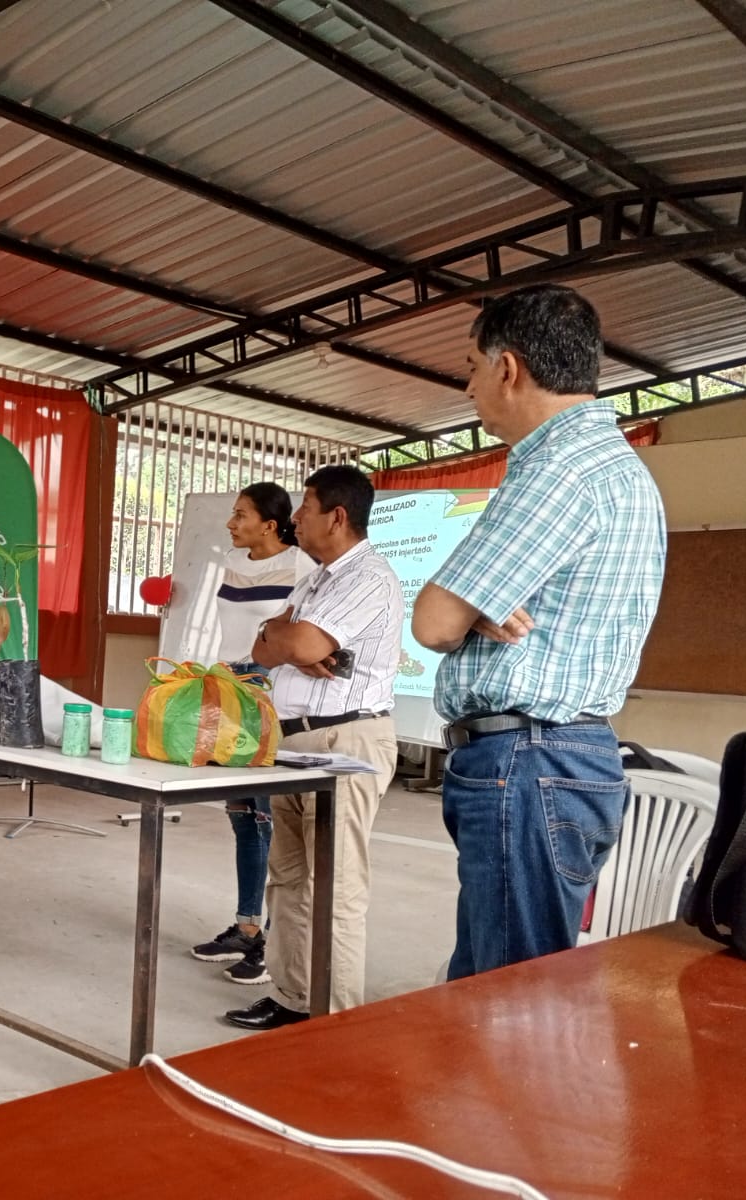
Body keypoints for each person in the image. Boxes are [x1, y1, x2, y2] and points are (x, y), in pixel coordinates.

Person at [412, 284, 666, 980]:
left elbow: (433, 621)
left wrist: (466, 606)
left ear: (508, 368)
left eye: (471, 368)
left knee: (507, 997)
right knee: (505, 985)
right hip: (560, 758)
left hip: (528, 762)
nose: (468, 388)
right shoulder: (614, 468)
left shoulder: (558, 470)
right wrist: (476, 606)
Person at [224, 465, 401, 1030]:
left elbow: (296, 641)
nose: (295, 518)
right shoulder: (315, 580)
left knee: (335, 887)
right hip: (296, 739)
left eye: (305, 507)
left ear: (337, 516)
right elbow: (265, 644)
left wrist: (291, 641)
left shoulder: (368, 576)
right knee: (289, 879)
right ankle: (293, 998)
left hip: (345, 738)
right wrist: (286, 640)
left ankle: (334, 1021)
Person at [189, 482, 314, 986]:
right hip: (230, 693)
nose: (230, 523)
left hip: (270, 697)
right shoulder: (232, 564)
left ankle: (272, 943)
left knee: (266, 817)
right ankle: (246, 927)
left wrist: (260, 675)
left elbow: (301, 641)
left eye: (241, 515)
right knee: (242, 815)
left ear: (270, 524)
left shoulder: (302, 567)